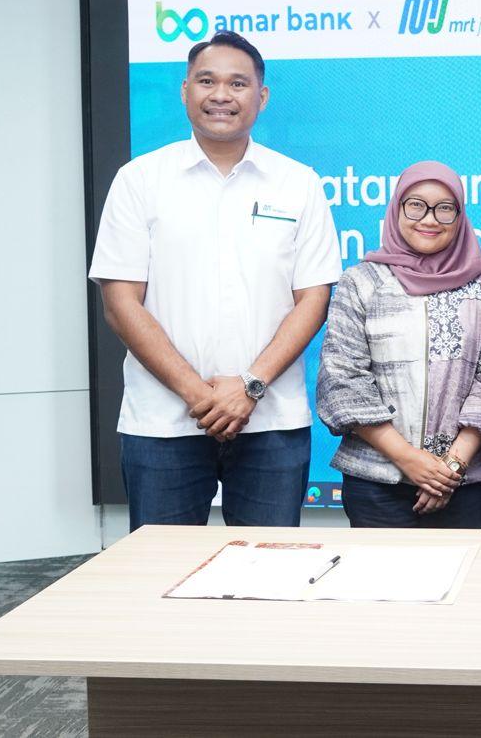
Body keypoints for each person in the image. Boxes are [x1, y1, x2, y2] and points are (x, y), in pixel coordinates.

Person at [89, 30, 341, 532]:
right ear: (185, 91)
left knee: (270, 570)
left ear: (261, 97)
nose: (221, 95)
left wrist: (249, 386)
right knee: (162, 571)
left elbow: (313, 300)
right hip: (162, 422)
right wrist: (197, 394)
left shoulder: (298, 183)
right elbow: (120, 303)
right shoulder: (139, 180)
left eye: (237, 83)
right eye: (207, 81)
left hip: (270, 422)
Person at [316, 162, 481, 528]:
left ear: (460, 216)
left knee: (461, 568)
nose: (429, 219)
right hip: (375, 480)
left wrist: (450, 468)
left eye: (444, 208)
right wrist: (409, 459)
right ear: (397, 209)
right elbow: (343, 379)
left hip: (462, 482)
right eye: (415, 205)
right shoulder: (361, 282)